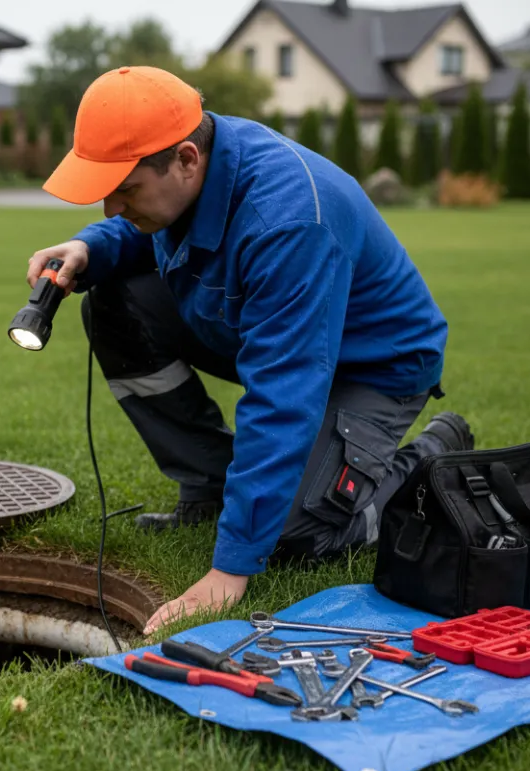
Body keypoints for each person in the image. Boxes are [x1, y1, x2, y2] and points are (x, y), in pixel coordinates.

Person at [26, 66, 475, 635]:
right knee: (114, 303)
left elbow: (283, 396)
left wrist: (228, 570)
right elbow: (147, 230)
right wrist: (90, 246)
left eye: (126, 189)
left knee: (297, 535)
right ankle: (210, 485)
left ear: (187, 159)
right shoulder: (200, 158)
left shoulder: (289, 222)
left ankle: (430, 459)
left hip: (374, 365)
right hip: (261, 331)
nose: (113, 208)